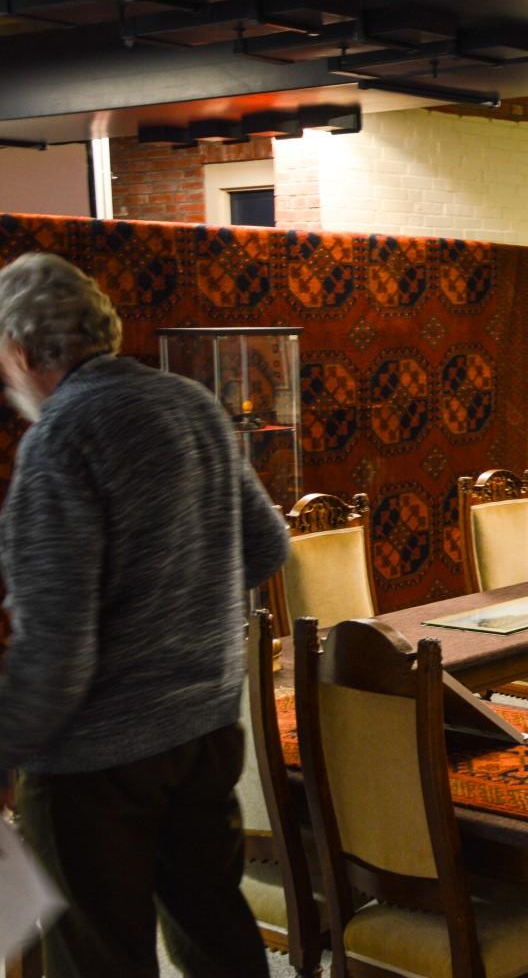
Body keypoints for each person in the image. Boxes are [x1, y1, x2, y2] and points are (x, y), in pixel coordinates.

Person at [0, 252, 289, 978]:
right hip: (204, 728)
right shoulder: (191, 403)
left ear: (22, 351)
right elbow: (266, 546)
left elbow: (56, 650)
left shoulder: (61, 438)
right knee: (216, 931)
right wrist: (180, 606)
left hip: (94, 764)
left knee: (98, 959)